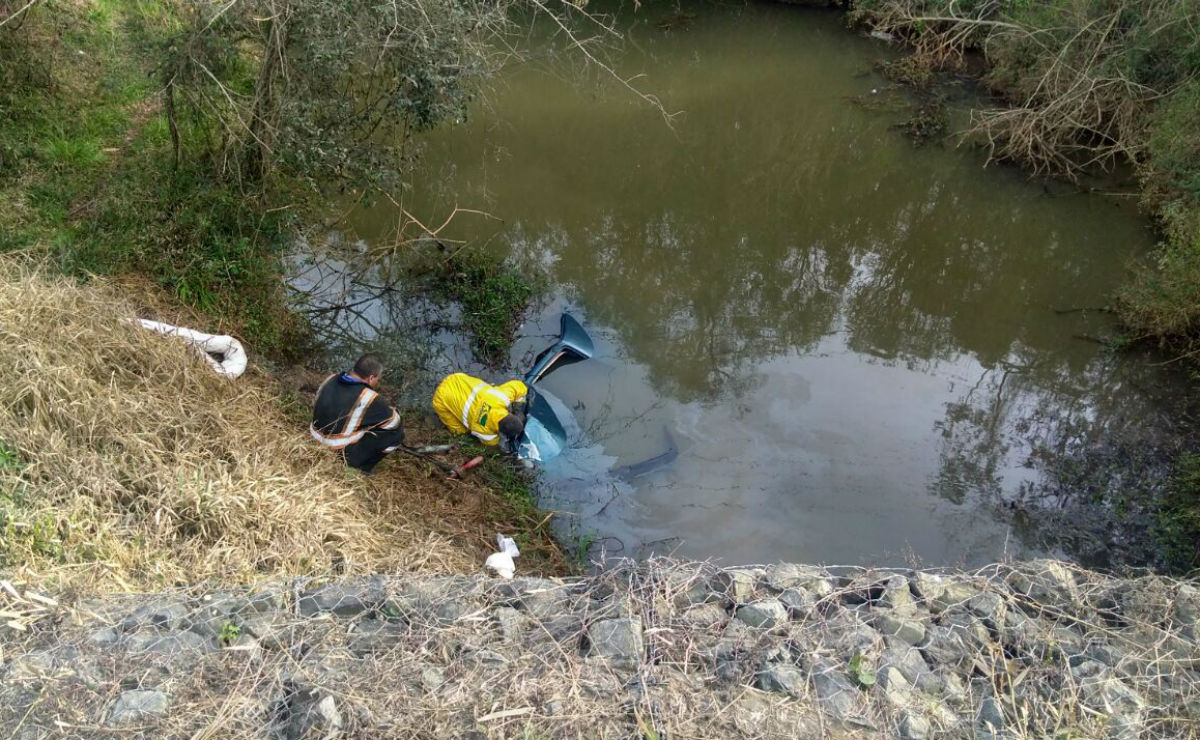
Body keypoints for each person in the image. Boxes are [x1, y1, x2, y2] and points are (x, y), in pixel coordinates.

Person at [310, 354, 405, 474]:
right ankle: (362, 467)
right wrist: (389, 410)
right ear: (371, 378)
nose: (377, 381)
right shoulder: (369, 397)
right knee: (397, 434)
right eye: (378, 379)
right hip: (334, 446)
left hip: (314, 435)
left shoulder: (331, 378)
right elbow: (394, 422)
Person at [431, 372, 527, 451]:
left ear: (509, 414)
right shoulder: (485, 434)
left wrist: (518, 408)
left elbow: (519, 386)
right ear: (501, 432)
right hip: (440, 399)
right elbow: (493, 447)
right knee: (460, 432)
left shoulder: (500, 398)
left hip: (456, 379)